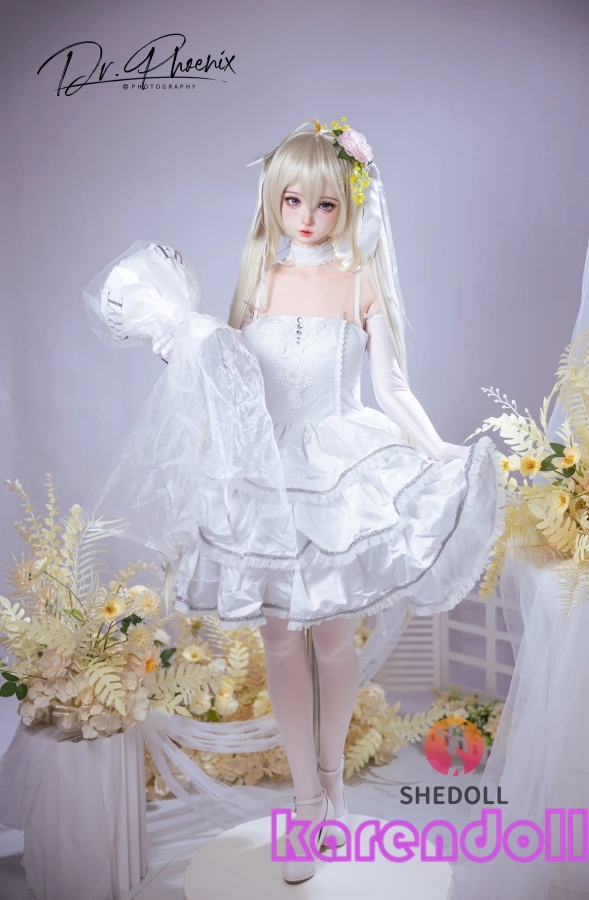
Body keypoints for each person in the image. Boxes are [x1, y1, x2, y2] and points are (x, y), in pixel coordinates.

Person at [84, 118, 505, 886]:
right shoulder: (259, 280)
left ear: (350, 205)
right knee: (281, 640)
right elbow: (232, 385)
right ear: (273, 201)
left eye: (325, 204)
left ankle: (335, 788)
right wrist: (183, 348)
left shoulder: (361, 281)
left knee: (334, 641)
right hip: (266, 475)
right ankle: (308, 803)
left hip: (338, 472)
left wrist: (440, 450)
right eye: (292, 201)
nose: (307, 218)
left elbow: (392, 389)